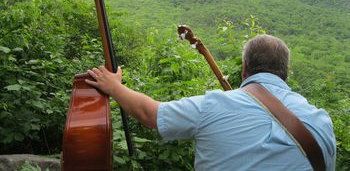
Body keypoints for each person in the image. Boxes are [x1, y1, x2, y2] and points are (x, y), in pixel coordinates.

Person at [86, 34, 336, 170]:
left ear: (244, 69)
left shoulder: (214, 105)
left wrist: (114, 86)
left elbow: (150, 113)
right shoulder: (321, 120)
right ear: (286, 72)